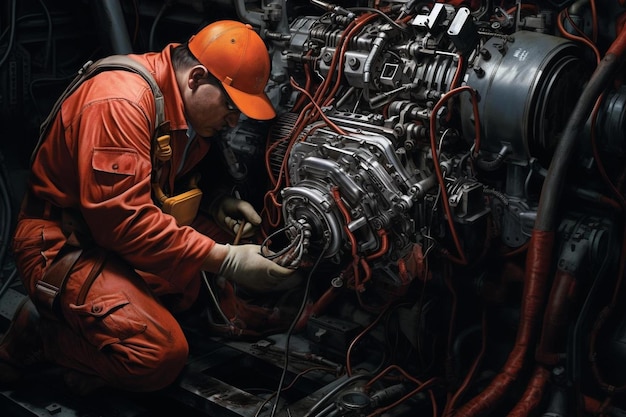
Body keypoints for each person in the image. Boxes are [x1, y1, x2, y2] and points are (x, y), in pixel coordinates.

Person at [0, 20, 296, 394]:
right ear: (197, 78)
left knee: (222, 241)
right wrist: (228, 260)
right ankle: (43, 336)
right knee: (157, 358)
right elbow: (124, 222)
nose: (234, 120)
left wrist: (220, 200)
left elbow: (162, 181)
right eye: (231, 105)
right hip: (64, 243)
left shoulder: (180, 105)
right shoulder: (120, 102)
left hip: (111, 232)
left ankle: (149, 310)